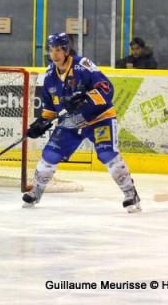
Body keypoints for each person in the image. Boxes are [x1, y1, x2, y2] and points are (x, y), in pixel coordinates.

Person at [23, 33, 141, 213]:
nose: (55, 54)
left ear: (66, 50)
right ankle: (36, 192)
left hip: (98, 118)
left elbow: (107, 88)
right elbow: (50, 108)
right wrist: (41, 123)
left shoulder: (82, 65)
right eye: (51, 50)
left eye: (59, 49)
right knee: (50, 156)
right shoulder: (49, 76)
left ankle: (130, 193)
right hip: (71, 123)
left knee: (107, 153)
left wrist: (86, 98)